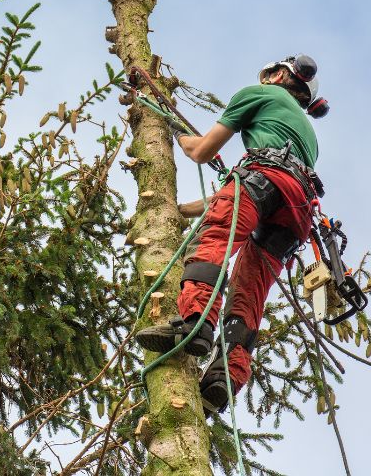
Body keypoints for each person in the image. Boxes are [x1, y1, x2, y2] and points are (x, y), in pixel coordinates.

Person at [135, 54, 329, 414]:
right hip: (296, 211)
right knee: (249, 290)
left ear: (276, 76)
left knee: (212, 241)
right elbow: (245, 196)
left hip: (262, 179)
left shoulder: (258, 93)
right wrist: (181, 210)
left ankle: (194, 323)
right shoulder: (306, 135)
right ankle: (225, 376)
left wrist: (176, 130)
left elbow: (202, 151)